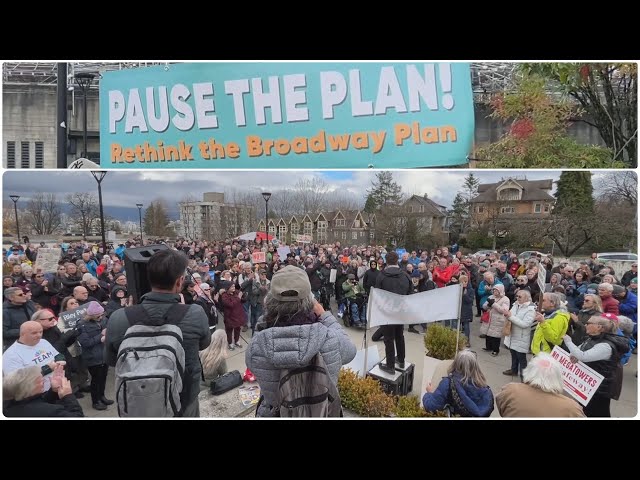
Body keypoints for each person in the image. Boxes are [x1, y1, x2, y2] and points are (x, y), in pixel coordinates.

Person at [105, 249, 211, 417]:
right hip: (184, 397)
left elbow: (112, 360)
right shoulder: (195, 313)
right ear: (180, 282)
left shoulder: (118, 318)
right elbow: (205, 343)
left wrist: (127, 313)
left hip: (137, 401)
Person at [245, 265, 356, 417]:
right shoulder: (327, 337)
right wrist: (325, 316)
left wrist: (267, 317)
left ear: (269, 300)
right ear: (310, 300)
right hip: (321, 411)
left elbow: (252, 360)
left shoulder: (257, 345)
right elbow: (350, 351)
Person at [562, 316, 629, 417]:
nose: (585, 325)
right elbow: (579, 351)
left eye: (589, 323)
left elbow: (583, 356)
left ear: (599, 327)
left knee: (598, 413)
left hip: (600, 388)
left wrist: (568, 341)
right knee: (586, 411)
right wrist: (574, 356)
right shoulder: (592, 338)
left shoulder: (605, 346)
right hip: (590, 385)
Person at [495, 352, 585, 417]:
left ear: (529, 371)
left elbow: (501, 408)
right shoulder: (572, 409)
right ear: (558, 377)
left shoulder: (511, 390)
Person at [422, 349, 494, 417]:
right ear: (476, 367)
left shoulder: (448, 384)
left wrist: (429, 393)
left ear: (455, 364)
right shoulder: (486, 390)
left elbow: (431, 406)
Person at [374, 251, 412, 374]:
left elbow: (377, 295)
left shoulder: (381, 276)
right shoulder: (405, 275)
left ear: (386, 261)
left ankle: (390, 366)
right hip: (400, 311)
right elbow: (410, 293)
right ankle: (401, 359)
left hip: (387, 312)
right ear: (397, 261)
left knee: (389, 338)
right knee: (399, 335)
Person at [2, 321, 66, 392]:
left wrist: (60, 361)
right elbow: (16, 382)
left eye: (41, 332)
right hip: (37, 394)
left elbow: (58, 355)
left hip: (58, 386)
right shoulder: (11, 355)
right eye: (34, 333)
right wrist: (48, 368)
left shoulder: (43, 342)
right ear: (22, 334)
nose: (39, 335)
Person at [3, 365, 84, 417]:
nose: (44, 382)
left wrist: (53, 391)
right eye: (40, 381)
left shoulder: (8, 404)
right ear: (29, 388)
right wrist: (68, 396)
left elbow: (36, 402)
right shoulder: (51, 411)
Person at [502, 289, 536, 379]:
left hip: (521, 337)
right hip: (513, 334)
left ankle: (524, 376)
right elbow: (511, 315)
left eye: (520, 296)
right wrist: (507, 315)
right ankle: (514, 370)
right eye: (517, 296)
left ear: (527, 298)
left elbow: (525, 324)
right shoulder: (516, 304)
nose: (517, 298)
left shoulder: (531, 309)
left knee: (521, 358)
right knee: (513, 354)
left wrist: (510, 317)